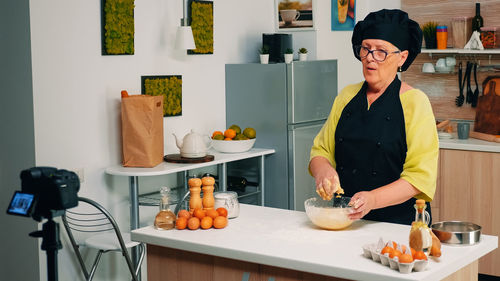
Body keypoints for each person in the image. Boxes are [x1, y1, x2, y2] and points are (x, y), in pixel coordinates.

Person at [309, 9, 438, 225]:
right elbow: (320, 150)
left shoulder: (416, 102)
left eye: (381, 52)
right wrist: (323, 171)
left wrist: (373, 198)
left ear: (402, 57)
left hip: (399, 225)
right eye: (366, 49)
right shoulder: (346, 96)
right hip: (345, 218)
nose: (370, 59)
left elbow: (419, 178)